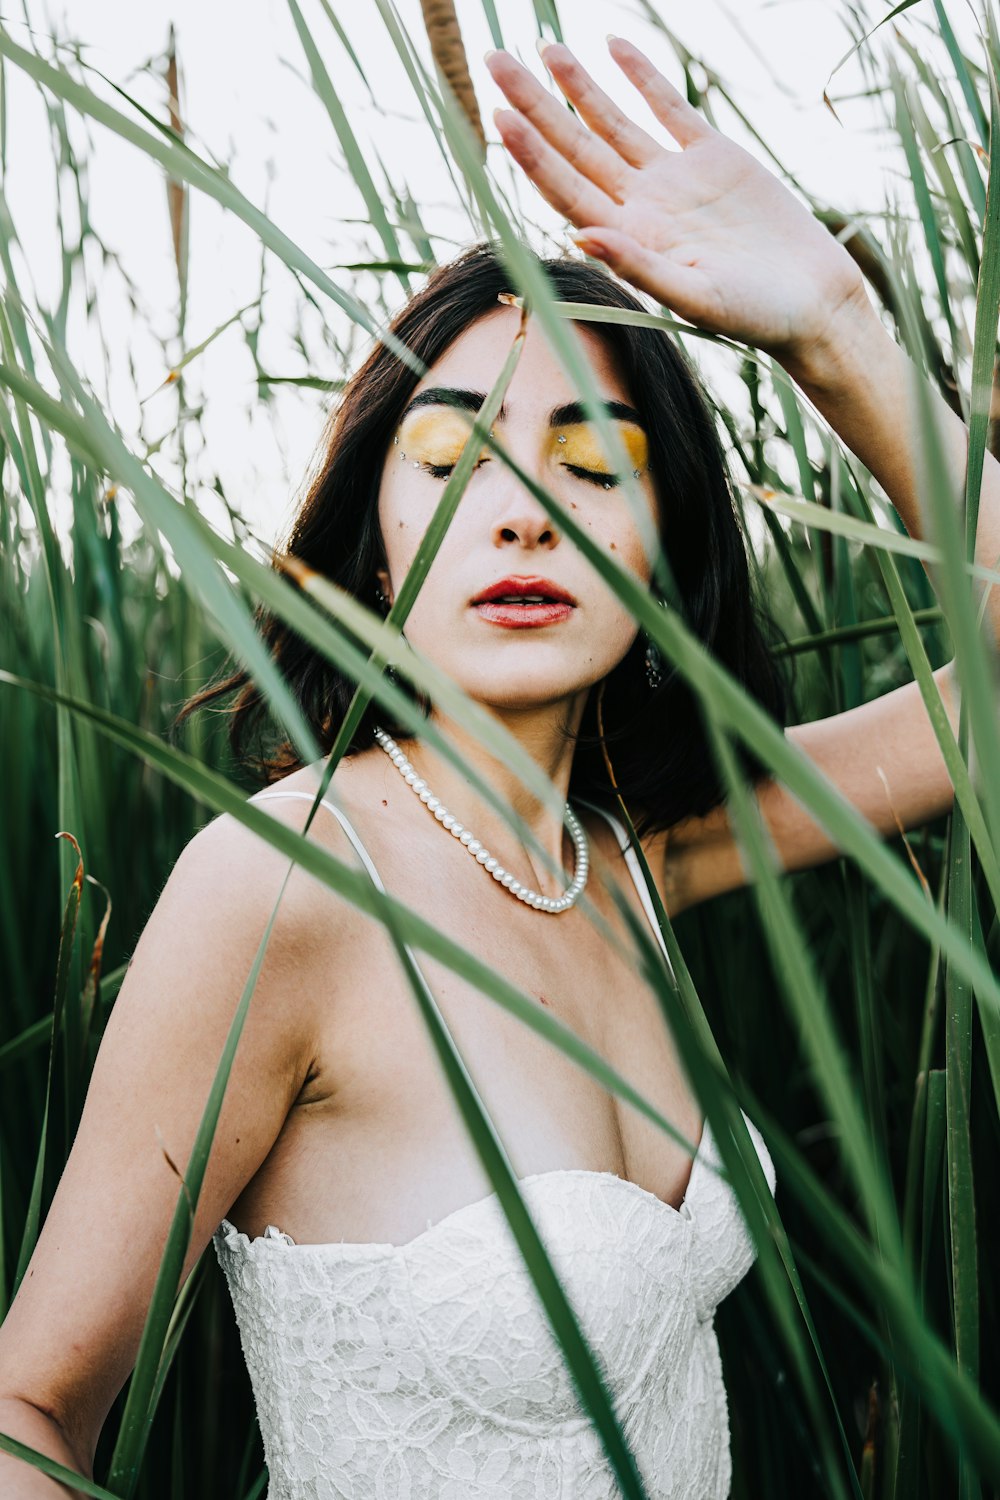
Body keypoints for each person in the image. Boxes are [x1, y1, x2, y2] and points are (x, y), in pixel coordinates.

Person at [0, 32, 988, 1500]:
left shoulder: (635, 860)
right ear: (374, 529)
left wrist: (838, 323)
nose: (526, 515)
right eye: (454, 462)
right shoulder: (290, 882)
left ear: (667, 546)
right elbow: (33, 1403)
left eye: (595, 468)